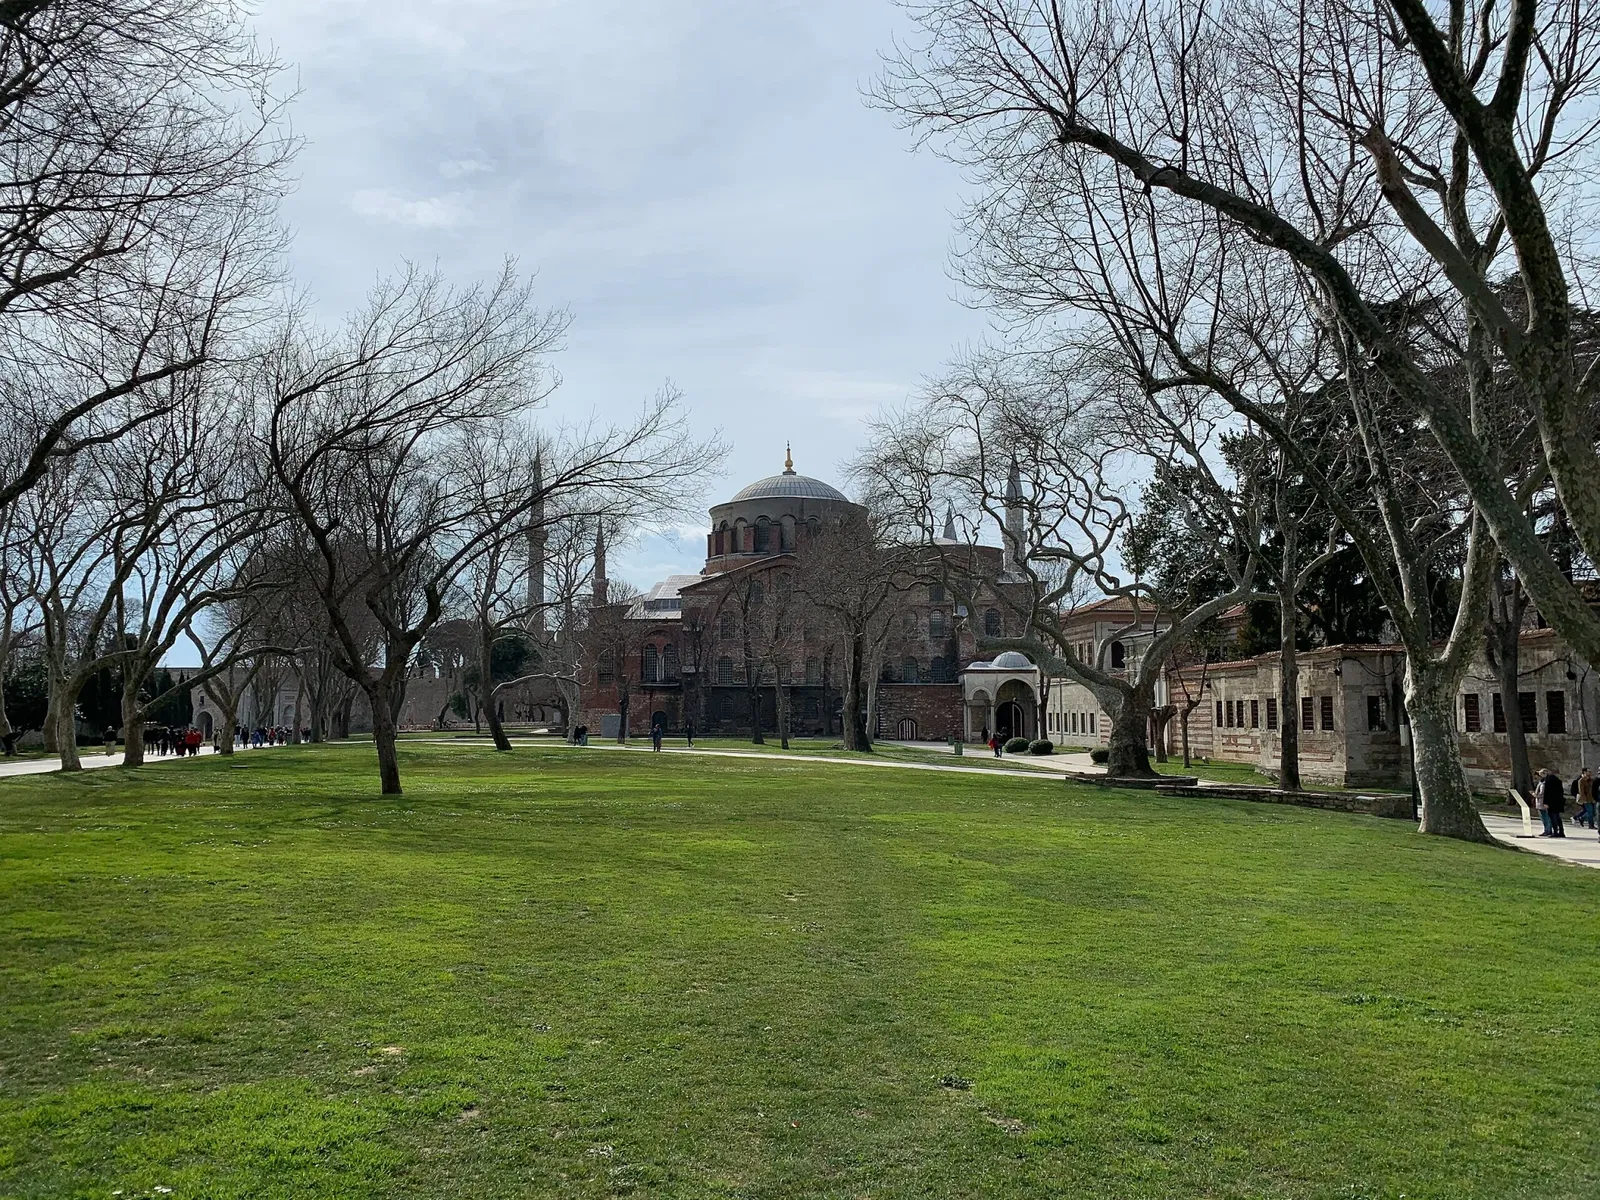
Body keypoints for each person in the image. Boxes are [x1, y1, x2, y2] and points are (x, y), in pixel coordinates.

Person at [1538, 766, 1566, 838]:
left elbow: (1547, 793)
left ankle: (1555, 831)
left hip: (1551, 802)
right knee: (1557, 817)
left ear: (1545, 773)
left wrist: (1545, 802)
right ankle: (1561, 831)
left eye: (1541, 775)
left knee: (1553, 817)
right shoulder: (1557, 780)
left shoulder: (1548, 781)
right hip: (1558, 801)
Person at [1573, 767, 1597, 831]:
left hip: (1592, 798)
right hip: (1586, 798)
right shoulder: (1581, 781)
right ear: (1585, 772)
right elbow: (1581, 791)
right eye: (1588, 771)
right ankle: (1591, 825)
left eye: (1590, 771)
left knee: (1594, 812)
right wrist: (1584, 799)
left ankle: (1582, 818)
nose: (1590, 773)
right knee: (1590, 811)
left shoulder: (1592, 780)